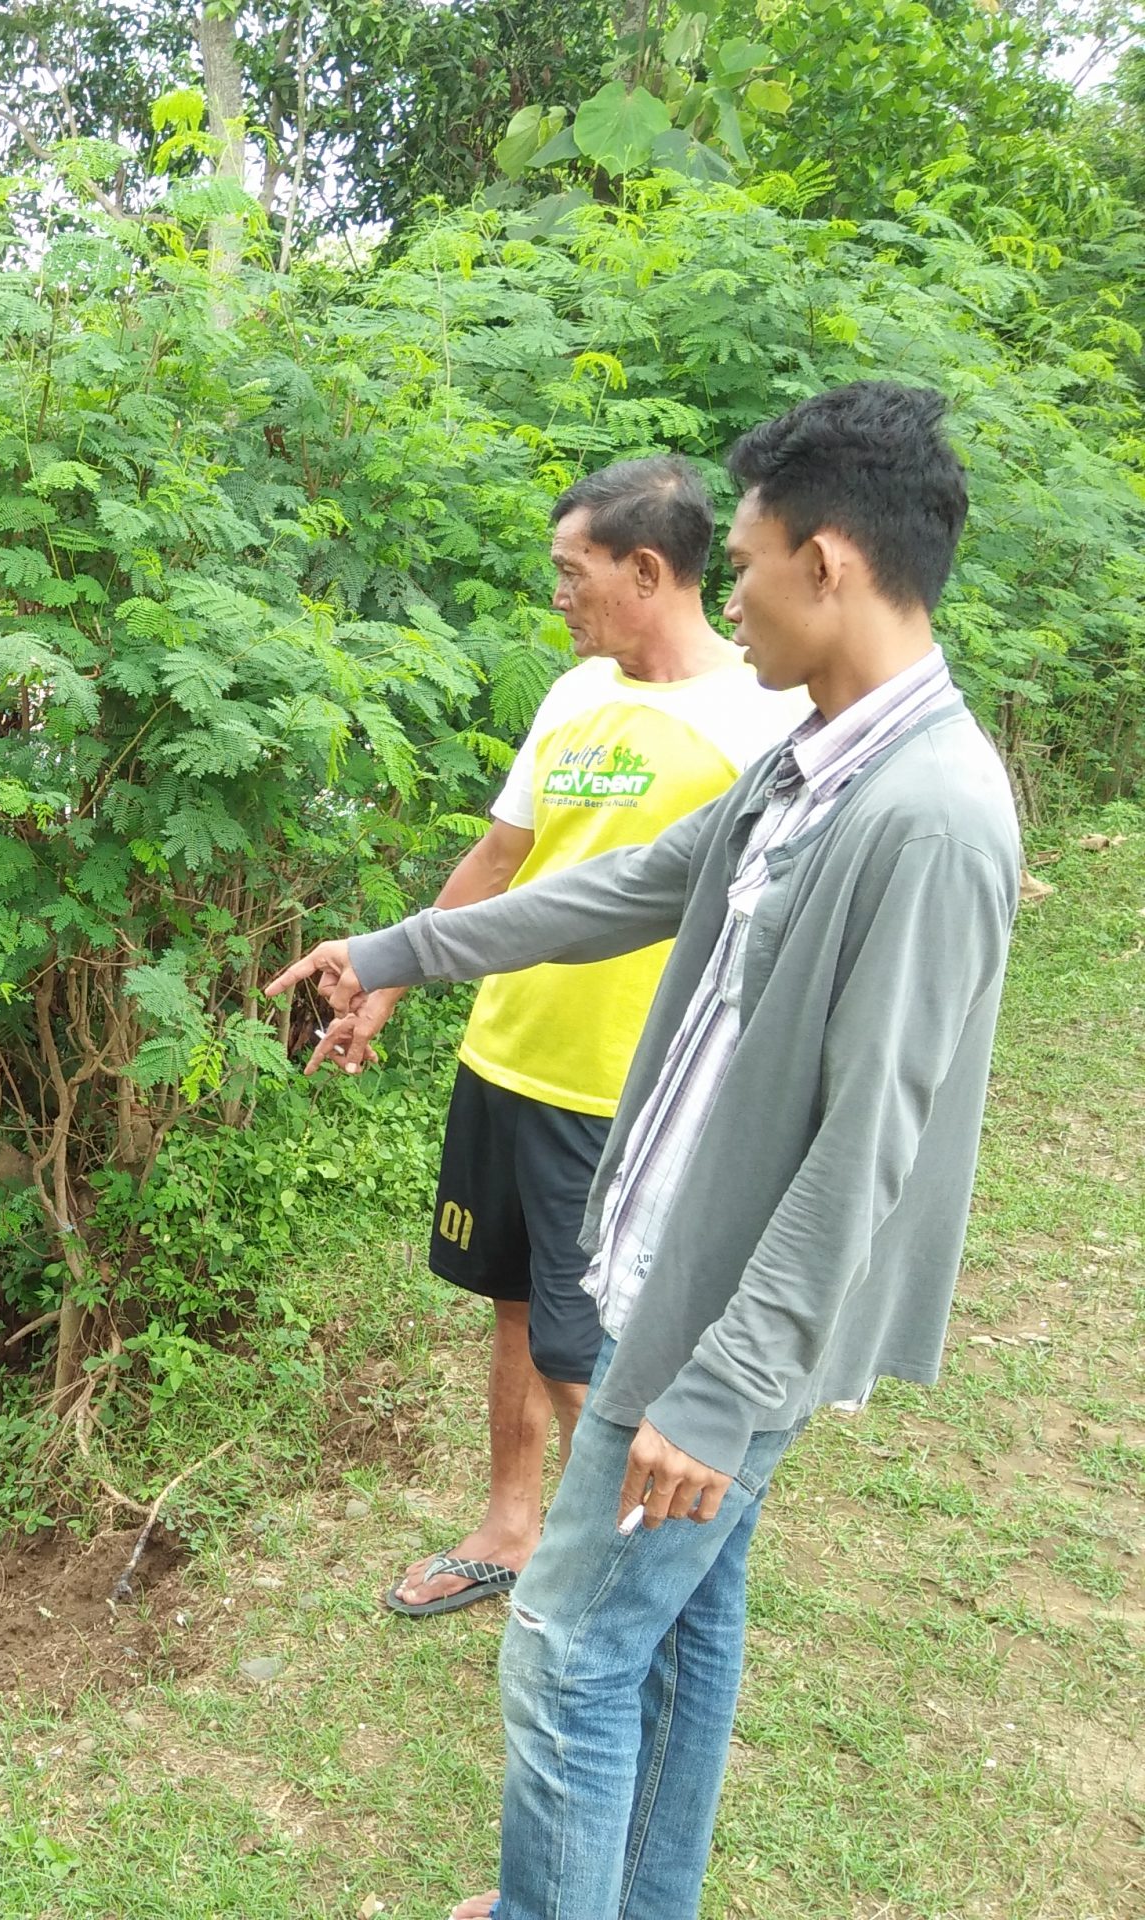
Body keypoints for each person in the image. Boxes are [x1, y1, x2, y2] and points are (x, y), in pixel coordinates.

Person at [269, 381, 1018, 1920]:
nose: (725, 596)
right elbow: (613, 890)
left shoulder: (932, 814)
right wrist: (396, 945)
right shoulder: (810, 765)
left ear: (828, 563)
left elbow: (874, 1141)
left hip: (719, 1324)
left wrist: (728, 1389)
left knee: (563, 1646)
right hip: (675, 1265)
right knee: (680, 1619)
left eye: (741, 564)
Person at [333, 457, 806, 1618]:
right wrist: (389, 982)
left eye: (571, 571)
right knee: (513, 1305)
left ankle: (616, 1570)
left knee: (590, 1342)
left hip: (622, 1088)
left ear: (647, 570)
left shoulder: (766, 718)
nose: (557, 595)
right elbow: (502, 864)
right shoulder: (573, 694)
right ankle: (509, 1524)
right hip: (506, 1058)